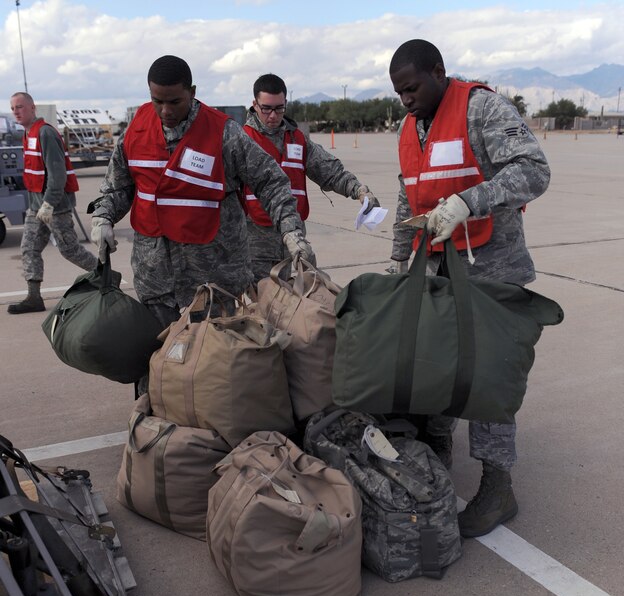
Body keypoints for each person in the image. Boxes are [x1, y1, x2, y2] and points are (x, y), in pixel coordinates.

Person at [388, 39, 551, 538]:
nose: (406, 100)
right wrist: (399, 258)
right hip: (437, 272)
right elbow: (407, 194)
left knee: (488, 381)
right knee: (436, 366)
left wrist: (469, 201)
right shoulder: (410, 128)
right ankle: (439, 448)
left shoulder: (481, 108)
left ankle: (498, 487)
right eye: (399, 93)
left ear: (439, 72)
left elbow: (533, 170)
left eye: (412, 88)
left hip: (491, 271)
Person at [89, 56, 314, 330]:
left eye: (174, 102)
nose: (165, 111)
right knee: (160, 363)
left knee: (213, 365)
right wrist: (103, 217)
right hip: (156, 277)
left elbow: (271, 182)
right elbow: (119, 186)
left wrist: (291, 232)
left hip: (213, 280)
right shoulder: (136, 131)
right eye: (157, 101)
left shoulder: (223, 133)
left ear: (192, 93)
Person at [243, 73, 380, 283]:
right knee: (261, 305)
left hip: (294, 243)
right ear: (254, 104)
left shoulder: (297, 139)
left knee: (291, 305)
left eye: (279, 108)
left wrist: (359, 190)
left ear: (286, 103)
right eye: (266, 108)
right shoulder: (242, 141)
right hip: (255, 242)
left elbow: (330, 171)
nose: (272, 115)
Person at [8, 92, 97, 314]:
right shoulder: (28, 134)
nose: (16, 112)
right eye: (13, 108)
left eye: (20, 107)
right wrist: (38, 205)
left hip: (55, 206)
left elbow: (57, 175)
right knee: (29, 248)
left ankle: (105, 276)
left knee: (69, 249)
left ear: (32, 107)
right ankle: (34, 297)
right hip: (37, 205)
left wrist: (49, 203)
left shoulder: (45, 133)